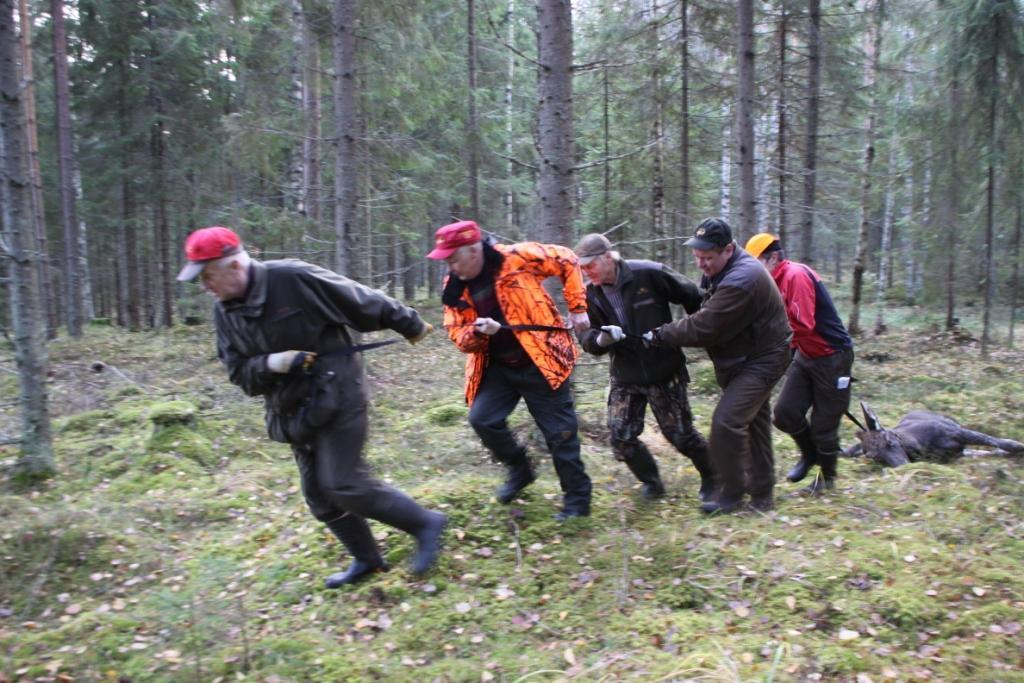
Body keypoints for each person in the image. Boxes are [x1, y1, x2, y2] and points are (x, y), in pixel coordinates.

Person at [177, 226, 446, 588]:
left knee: (343, 483)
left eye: (208, 276)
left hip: (338, 392)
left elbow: (358, 299)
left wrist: (408, 323)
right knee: (320, 497)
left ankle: (426, 524)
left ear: (235, 266)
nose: (205, 286)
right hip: (290, 410)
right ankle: (367, 560)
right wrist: (274, 363)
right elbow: (238, 372)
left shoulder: (292, 278)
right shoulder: (225, 312)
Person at [427, 220, 593, 521]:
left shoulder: (518, 258)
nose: (449, 265)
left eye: (453, 258)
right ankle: (520, 469)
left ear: (474, 250)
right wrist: (479, 334)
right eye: (446, 260)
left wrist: (578, 307)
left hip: (543, 361)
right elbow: (458, 336)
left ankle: (578, 501)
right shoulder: (454, 286)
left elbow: (568, 259)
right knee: (482, 419)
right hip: (498, 367)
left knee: (560, 435)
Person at [643, 218, 792, 514]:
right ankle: (762, 496)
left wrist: (661, 334)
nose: (701, 264)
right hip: (746, 355)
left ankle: (731, 496)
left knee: (726, 422)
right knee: (754, 423)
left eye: (707, 258)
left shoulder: (742, 279)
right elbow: (704, 306)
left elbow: (705, 326)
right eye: (697, 257)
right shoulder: (720, 270)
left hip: (763, 358)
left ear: (728, 249)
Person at [573, 233, 716, 501]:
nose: (586, 271)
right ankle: (652, 483)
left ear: (607, 257)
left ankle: (713, 477)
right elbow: (585, 337)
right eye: (581, 267)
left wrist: (689, 331)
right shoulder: (588, 294)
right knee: (621, 438)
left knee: (680, 435)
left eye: (590, 265)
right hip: (625, 375)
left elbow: (697, 298)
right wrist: (600, 339)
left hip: (664, 369)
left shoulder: (649, 274)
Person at [744, 233, 854, 494]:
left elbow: (803, 325)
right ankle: (810, 455)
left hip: (832, 356)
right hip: (806, 354)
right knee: (785, 414)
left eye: (755, 263)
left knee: (824, 427)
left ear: (772, 258)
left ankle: (826, 481)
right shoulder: (770, 281)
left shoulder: (795, 275)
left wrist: (773, 356)